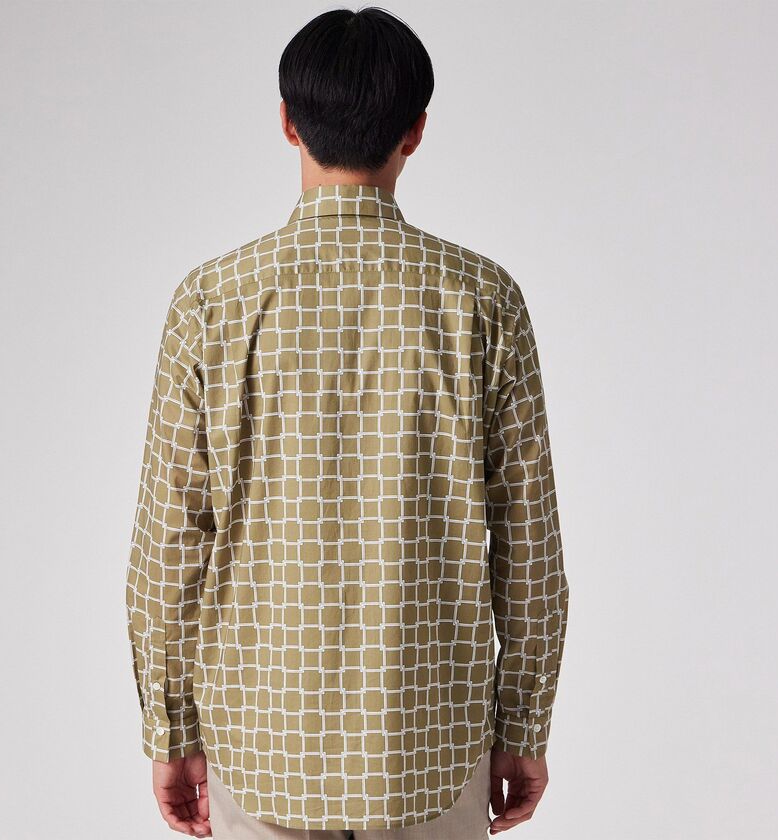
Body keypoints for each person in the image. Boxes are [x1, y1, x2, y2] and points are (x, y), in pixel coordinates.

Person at [125, 7, 569, 839]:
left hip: (261, 746)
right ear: (416, 131)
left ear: (288, 122)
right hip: (430, 750)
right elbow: (529, 546)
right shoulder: (482, 301)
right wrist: (523, 725)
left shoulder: (212, 303)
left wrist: (172, 731)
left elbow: (169, 547)